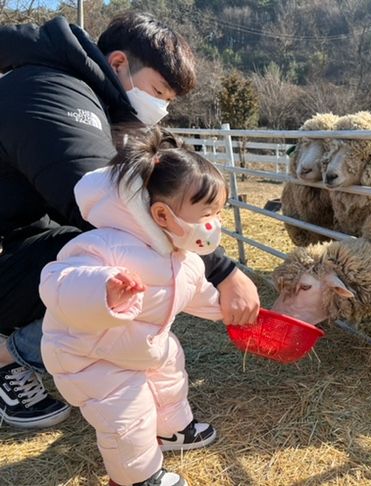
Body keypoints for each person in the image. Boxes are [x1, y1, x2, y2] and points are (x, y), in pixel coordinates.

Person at [0, 13, 259, 428]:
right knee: (125, 262)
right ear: (118, 62)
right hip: (12, 254)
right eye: (158, 91)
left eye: (169, 100)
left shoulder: (102, 103)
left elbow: (164, 183)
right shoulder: (50, 92)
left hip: (23, 243)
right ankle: (7, 355)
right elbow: (112, 203)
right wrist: (224, 271)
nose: (161, 108)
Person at [40, 127, 242, 486]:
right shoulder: (106, 245)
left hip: (137, 347)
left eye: (219, 211)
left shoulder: (185, 258)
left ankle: (172, 430)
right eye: (207, 211)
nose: (215, 223)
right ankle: (136, 477)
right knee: (127, 417)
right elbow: (57, 282)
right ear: (163, 215)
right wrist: (104, 290)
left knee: (169, 363)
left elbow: (196, 293)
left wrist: (227, 309)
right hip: (90, 356)